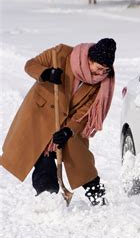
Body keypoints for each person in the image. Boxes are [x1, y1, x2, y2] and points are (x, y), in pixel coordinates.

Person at [0, 38, 117, 206]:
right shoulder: (61, 54)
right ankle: (49, 198)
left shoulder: (100, 83)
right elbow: (30, 64)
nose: (101, 74)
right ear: (89, 60)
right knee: (43, 157)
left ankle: (97, 195)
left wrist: (68, 130)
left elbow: (85, 112)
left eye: (106, 70)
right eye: (99, 68)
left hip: (68, 123)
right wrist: (46, 73)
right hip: (40, 116)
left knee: (80, 159)